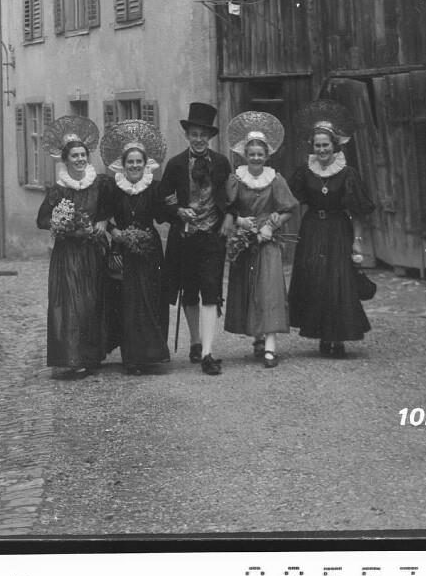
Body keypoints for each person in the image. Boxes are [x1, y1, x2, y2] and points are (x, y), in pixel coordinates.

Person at [287, 99, 376, 357]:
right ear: (312, 147)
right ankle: (321, 336)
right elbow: (288, 200)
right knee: (315, 280)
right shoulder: (305, 172)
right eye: (318, 145)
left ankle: (338, 338)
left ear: (334, 145)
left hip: (338, 229)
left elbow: (358, 212)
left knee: (338, 281)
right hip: (312, 229)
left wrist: (357, 241)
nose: (322, 150)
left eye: (326, 145)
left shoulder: (347, 173)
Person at [35, 115, 113, 379]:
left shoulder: (99, 183)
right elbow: (42, 220)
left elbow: (108, 208)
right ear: (66, 160)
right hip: (68, 254)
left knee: (92, 302)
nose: (80, 159)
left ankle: (91, 356)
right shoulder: (59, 190)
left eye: (83, 155)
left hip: (92, 251)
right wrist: (65, 225)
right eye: (74, 156)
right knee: (71, 303)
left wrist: (103, 220)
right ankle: (70, 358)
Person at [158, 101, 231, 375]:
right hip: (184, 237)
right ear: (187, 135)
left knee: (211, 292)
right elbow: (164, 197)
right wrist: (179, 211)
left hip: (212, 236)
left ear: (209, 137)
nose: (199, 139)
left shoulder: (221, 163)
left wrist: (229, 218)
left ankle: (209, 353)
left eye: (203, 135)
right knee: (189, 291)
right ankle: (196, 342)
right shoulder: (176, 165)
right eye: (194, 134)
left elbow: (231, 197)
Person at [221, 112, 298, 368]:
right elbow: (227, 209)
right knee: (249, 289)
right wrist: (240, 221)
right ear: (245, 154)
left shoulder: (275, 179)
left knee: (269, 290)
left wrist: (272, 225)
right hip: (245, 241)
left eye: (260, 154)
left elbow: (288, 209)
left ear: (267, 156)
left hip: (268, 242)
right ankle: (257, 338)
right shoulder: (236, 179)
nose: (256, 158)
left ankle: (270, 348)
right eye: (252, 154)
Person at [100, 119, 170, 375]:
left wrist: (172, 203)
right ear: (123, 163)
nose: (134, 165)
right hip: (122, 251)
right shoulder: (114, 188)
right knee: (126, 302)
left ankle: (150, 355)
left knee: (149, 300)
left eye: (139, 161)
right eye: (130, 161)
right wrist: (114, 232)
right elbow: (103, 217)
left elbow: (162, 216)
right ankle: (131, 357)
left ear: (145, 163)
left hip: (149, 250)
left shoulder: (154, 187)